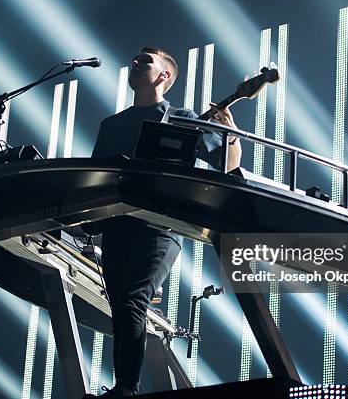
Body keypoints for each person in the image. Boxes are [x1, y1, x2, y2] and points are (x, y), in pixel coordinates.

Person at [87, 46, 242, 397]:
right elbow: (97, 174)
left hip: (159, 226)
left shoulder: (183, 116)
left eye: (146, 61)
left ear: (164, 76)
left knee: (131, 300)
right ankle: (126, 386)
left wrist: (230, 132)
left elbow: (227, 164)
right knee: (121, 306)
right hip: (116, 225)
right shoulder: (111, 126)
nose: (136, 62)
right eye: (135, 58)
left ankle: (126, 388)